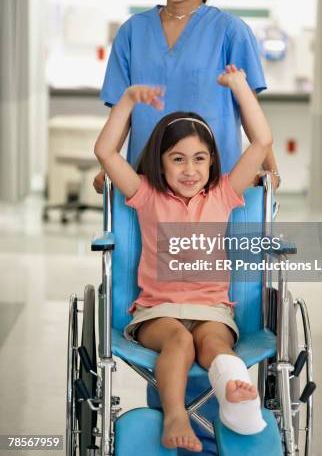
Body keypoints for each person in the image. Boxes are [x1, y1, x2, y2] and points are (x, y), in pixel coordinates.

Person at [94, 65, 273, 452]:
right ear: (159, 163)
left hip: (212, 309)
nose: (190, 170)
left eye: (199, 159)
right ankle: (175, 414)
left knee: (215, 349)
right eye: (177, 159)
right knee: (179, 341)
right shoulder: (146, 197)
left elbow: (260, 142)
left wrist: (241, 87)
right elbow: (105, 152)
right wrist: (126, 101)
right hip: (158, 311)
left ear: (212, 163)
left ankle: (235, 398)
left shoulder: (223, 196)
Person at [94, 0, 280, 195]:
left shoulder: (231, 32)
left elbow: (250, 111)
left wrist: (271, 171)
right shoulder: (132, 32)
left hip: (213, 183)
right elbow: (123, 112)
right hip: (146, 182)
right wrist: (109, 166)